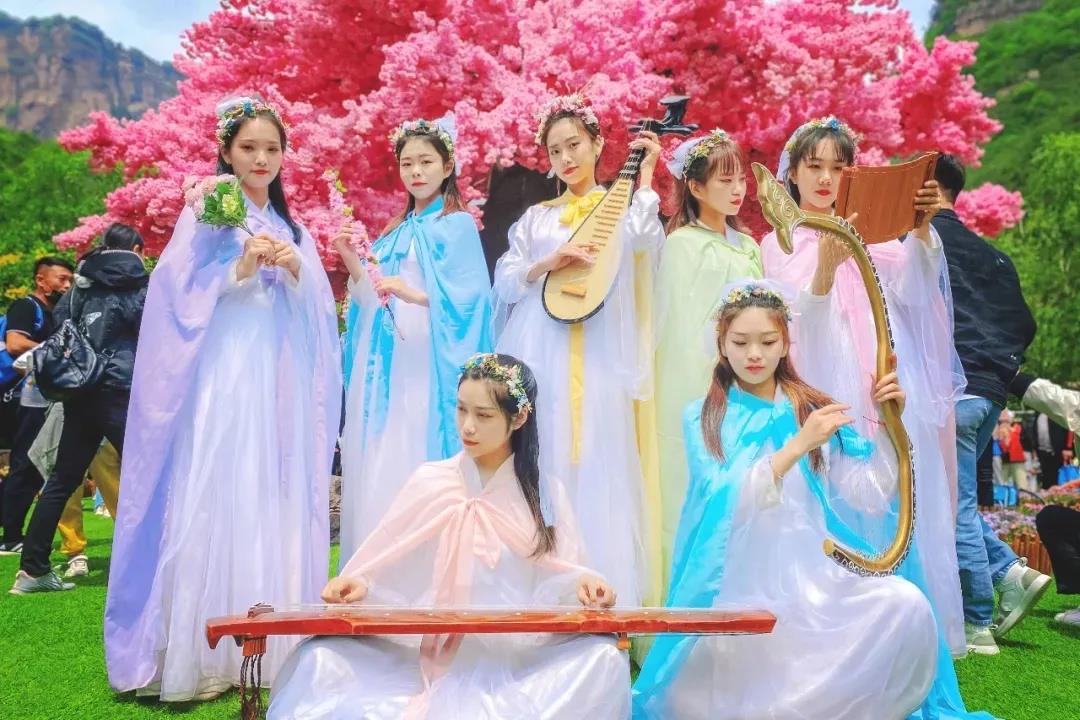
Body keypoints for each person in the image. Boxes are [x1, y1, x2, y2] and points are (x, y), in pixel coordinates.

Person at [633, 282, 981, 720]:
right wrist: (799, 445)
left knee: (904, 603)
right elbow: (723, 501)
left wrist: (889, 425)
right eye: (740, 342)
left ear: (785, 344)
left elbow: (868, 493)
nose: (754, 354)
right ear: (721, 344)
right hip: (734, 583)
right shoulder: (704, 416)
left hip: (812, 579)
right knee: (708, 693)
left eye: (767, 341)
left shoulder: (811, 409)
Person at [103, 96, 341, 700]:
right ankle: (203, 646)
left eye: (272, 148)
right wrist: (237, 271)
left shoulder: (292, 227)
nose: (261, 159)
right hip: (226, 374)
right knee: (220, 486)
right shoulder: (211, 211)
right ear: (226, 152)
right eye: (249, 148)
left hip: (278, 375)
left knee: (270, 488)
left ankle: (272, 636)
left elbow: (318, 305)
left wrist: (296, 268)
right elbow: (172, 289)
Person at [268, 353, 628, 719]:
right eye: (461, 410)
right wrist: (362, 584)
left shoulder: (543, 495)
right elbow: (391, 558)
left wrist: (585, 586)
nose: (467, 427)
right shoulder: (431, 480)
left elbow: (561, 572)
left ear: (519, 418)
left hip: (515, 653)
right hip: (427, 648)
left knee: (602, 660)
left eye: (483, 415)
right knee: (321, 660)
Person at [761, 117, 967, 655]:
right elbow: (789, 325)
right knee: (829, 489)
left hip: (884, 381)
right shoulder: (781, 241)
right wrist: (826, 270)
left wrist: (920, 229)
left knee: (893, 490)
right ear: (793, 174)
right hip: (821, 382)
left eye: (838, 168)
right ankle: (832, 631)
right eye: (814, 167)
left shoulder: (876, 236)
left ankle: (898, 628)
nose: (825, 179)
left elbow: (917, 292)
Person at [492, 94, 664, 605]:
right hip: (541, 348)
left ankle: (601, 596)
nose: (566, 158)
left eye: (575, 145)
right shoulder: (536, 218)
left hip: (600, 353)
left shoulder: (620, 206)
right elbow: (506, 279)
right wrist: (549, 262)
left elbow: (645, 242)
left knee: (597, 454)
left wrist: (646, 176)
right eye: (555, 150)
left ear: (597, 144)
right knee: (542, 451)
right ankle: (539, 595)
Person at [337, 113, 492, 557]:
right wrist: (350, 257)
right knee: (384, 449)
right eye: (407, 164)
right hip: (388, 359)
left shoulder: (457, 225)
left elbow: (474, 300)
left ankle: (428, 562)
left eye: (426, 162)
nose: (416, 172)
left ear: (448, 166)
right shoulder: (396, 231)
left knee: (417, 444)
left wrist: (417, 295)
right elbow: (369, 296)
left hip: (429, 357)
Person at [932, 154, 1049, 652]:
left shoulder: (923, 244)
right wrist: (998, 373)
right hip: (989, 395)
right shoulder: (996, 257)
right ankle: (1009, 571)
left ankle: (977, 621)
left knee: (951, 506)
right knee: (947, 500)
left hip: (952, 390)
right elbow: (1025, 324)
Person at [10, 224, 147, 594]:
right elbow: (152, 329)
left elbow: (60, 323)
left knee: (63, 479)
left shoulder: (81, 282)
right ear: (136, 249)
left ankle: (32, 569)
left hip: (82, 388)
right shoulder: (140, 282)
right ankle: (155, 564)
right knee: (149, 475)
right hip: (121, 387)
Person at [652, 129, 761, 592]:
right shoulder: (681, 244)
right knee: (694, 485)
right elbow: (676, 329)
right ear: (695, 187)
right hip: (696, 384)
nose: (737, 189)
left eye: (740, 179)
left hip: (749, 383)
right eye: (725, 180)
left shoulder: (750, 247)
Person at [0, 256, 73, 557]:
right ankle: (10, 536)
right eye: (61, 279)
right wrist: (59, 351)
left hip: (37, 397)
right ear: (41, 280)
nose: (67, 285)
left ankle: (11, 531)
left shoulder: (54, 313)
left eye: (70, 280)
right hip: (21, 397)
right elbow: (15, 343)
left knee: (30, 464)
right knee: (25, 463)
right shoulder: (26, 307)